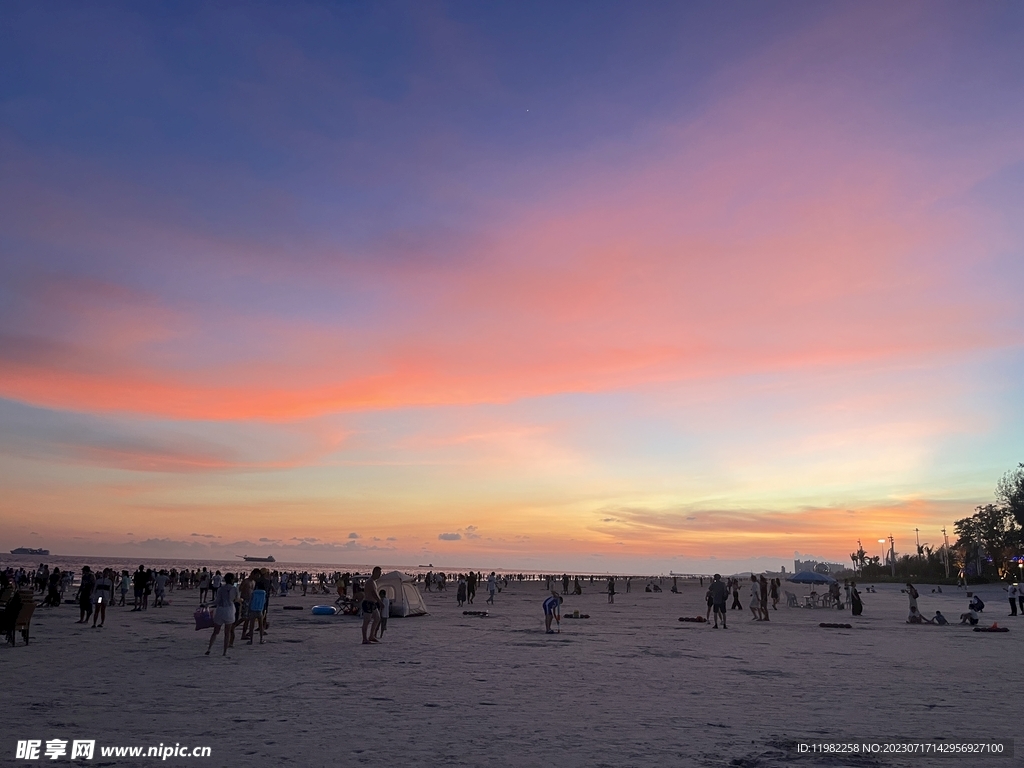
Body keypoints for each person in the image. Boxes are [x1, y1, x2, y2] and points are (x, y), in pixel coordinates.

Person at [206, 573, 238, 656]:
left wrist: (207, 604)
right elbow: (236, 599)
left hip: (220, 610)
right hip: (230, 610)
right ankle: (224, 652)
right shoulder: (234, 588)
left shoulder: (221, 588)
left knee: (215, 632)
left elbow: (216, 601)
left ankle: (209, 648)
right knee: (227, 633)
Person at [361, 566, 383, 644]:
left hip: (372, 603)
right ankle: (364, 638)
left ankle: (371, 636)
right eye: (379, 573)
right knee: (367, 621)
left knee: (377, 618)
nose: (380, 575)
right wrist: (380, 601)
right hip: (367, 603)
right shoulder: (370, 581)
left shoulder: (374, 581)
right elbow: (373, 593)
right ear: (375, 572)